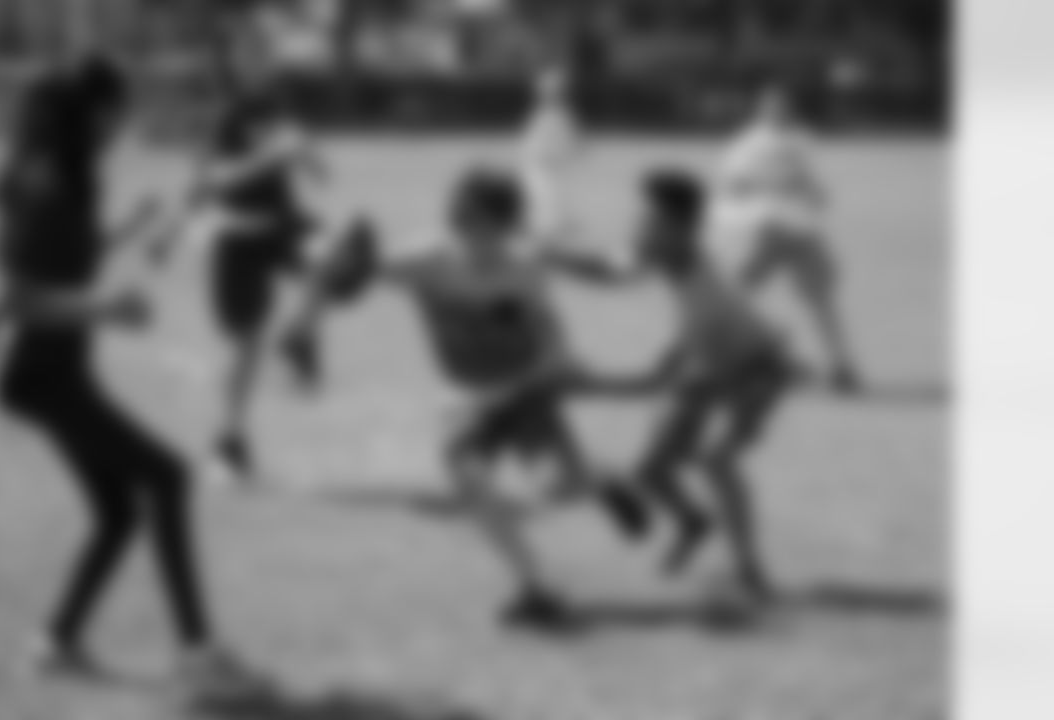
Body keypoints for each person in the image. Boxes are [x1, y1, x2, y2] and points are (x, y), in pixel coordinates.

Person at [0, 54, 264, 695]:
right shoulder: (45, 182)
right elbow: (18, 299)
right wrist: (102, 308)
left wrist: (126, 230)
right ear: (92, 113)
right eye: (117, 114)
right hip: (37, 374)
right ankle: (199, 657)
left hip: (55, 371)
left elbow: (65, 261)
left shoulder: (67, 178)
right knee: (168, 476)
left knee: (118, 513)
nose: (121, 127)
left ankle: (56, 644)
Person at [284, 167, 649, 631]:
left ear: (503, 224)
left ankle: (603, 480)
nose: (459, 222)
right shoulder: (428, 260)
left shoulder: (523, 268)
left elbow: (554, 340)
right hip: (468, 395)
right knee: (470, 478)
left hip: (526, 390)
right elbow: (344, 275)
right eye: (457, 213)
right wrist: (328, 262)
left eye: (472, 217)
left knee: (558, 487)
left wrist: (526, 383)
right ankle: (536, 590)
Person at [614, 169, 800, 604]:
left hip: (758, 368)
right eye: (640, 219)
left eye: (649, 222)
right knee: (650, 470)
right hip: (709, 360)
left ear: (682, 229)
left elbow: (698, 351)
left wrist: (658, 375)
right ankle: (693, 522)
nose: (638, 228)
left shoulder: (704, 287)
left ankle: (749, 570)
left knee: (716, 459)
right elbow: (614, 271)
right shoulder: (670, 256)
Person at [149, 68, 328, 487]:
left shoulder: (280, 118)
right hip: (238, 238)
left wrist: (307, 153)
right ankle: (232, 437)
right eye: (252, 56)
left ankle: (298, 341)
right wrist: (170, 234)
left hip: (282, 226)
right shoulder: (222, 128)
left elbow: (322, 175)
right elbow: (206, 184)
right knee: (247, 344)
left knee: (331, 260)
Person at [708, 86, 863, 392]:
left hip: (799, 231)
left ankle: (840, 365)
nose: (779, 112)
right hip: (764, 231)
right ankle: (721, 362)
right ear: (761, 110)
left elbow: (817, 189)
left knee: (820, 301)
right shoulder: (748, 144)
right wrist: (774, 191)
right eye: (772, 107)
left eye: (783, 106)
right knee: (734, 298)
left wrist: (806, 192)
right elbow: (733, 185)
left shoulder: (801, 141)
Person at [517, 65, 581, 243]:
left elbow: (561, 139)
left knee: (547, 192)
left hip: (546, 161)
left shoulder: (553, 114)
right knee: (546, 192)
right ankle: (549, 224)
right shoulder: (551, 114)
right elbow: (563, 139)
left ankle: (549, 226)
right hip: (545, 161)